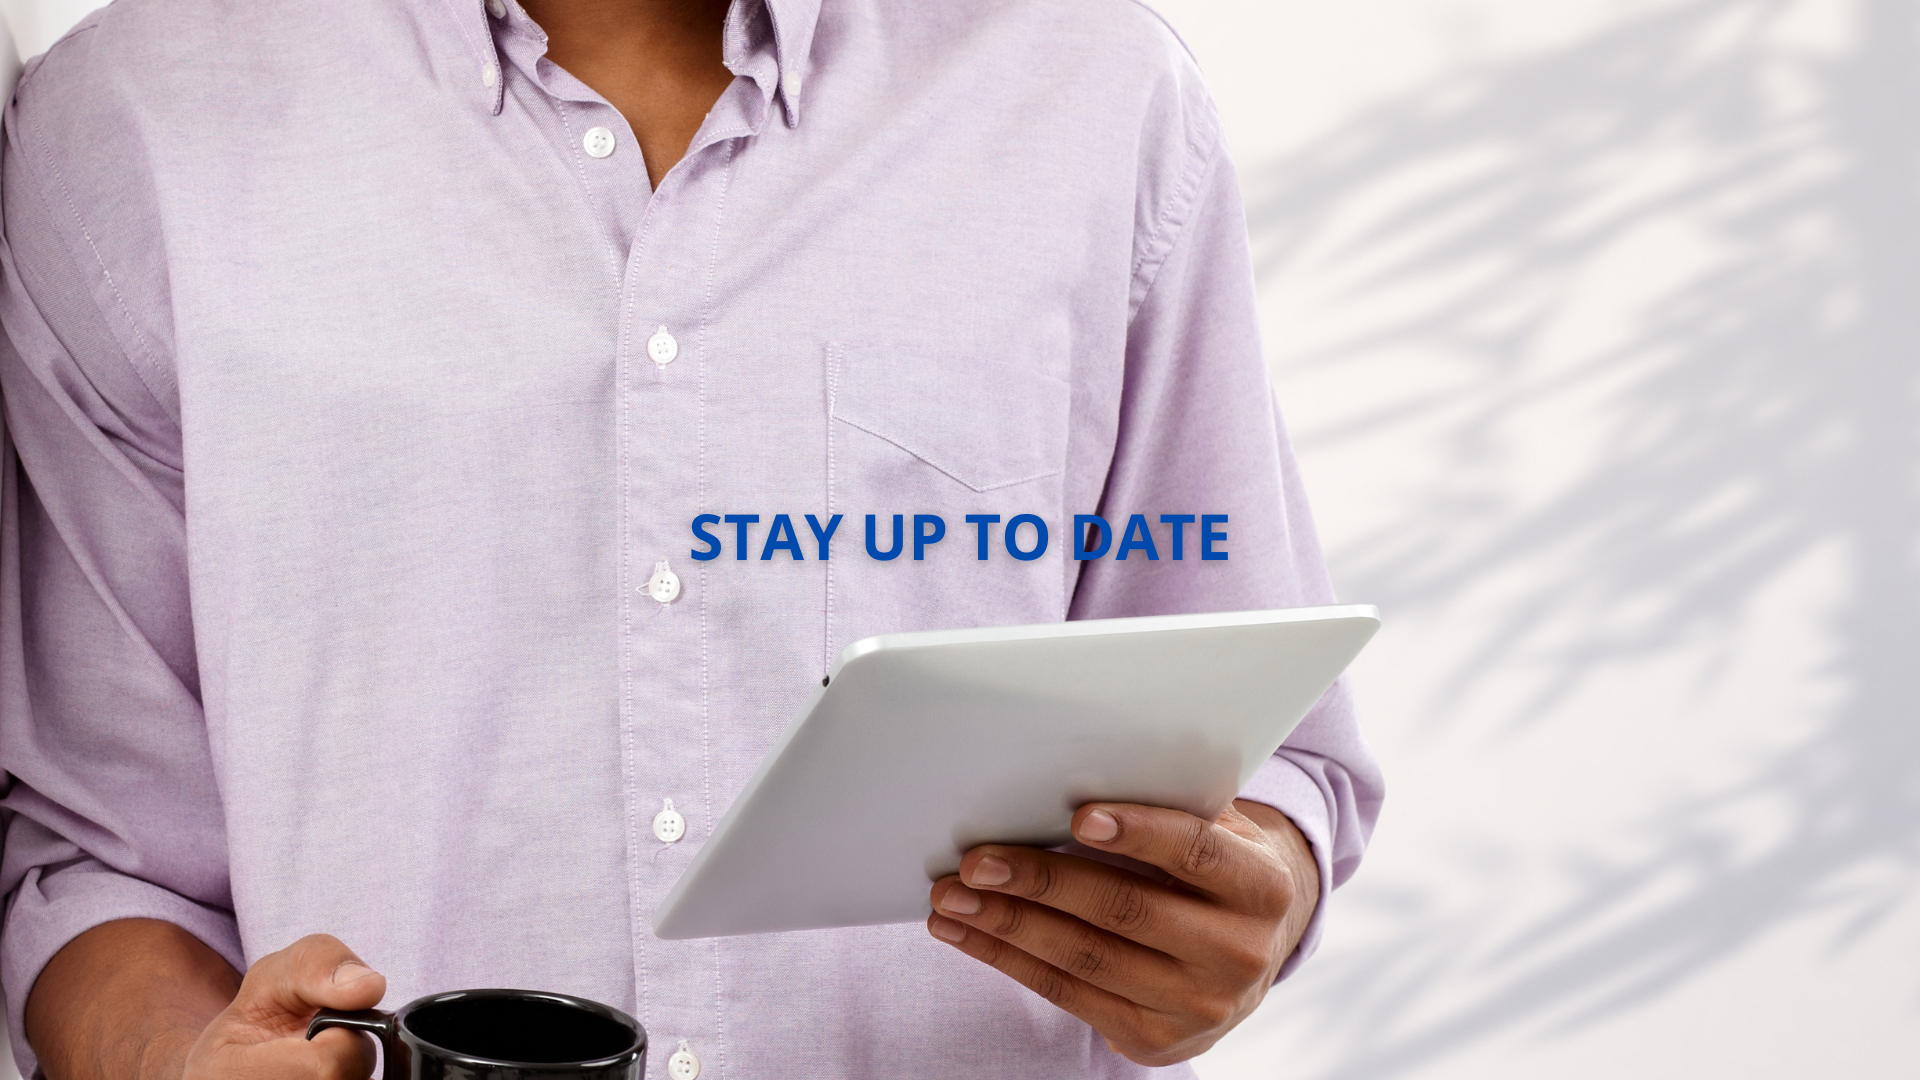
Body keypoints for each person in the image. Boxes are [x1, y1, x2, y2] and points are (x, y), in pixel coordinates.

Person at [0, 0, 1384, 1076]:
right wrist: (178, 1059)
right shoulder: (137, 124)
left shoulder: (1096, 92)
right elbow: (88, 857)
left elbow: (1266, 758)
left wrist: (1242, 911)